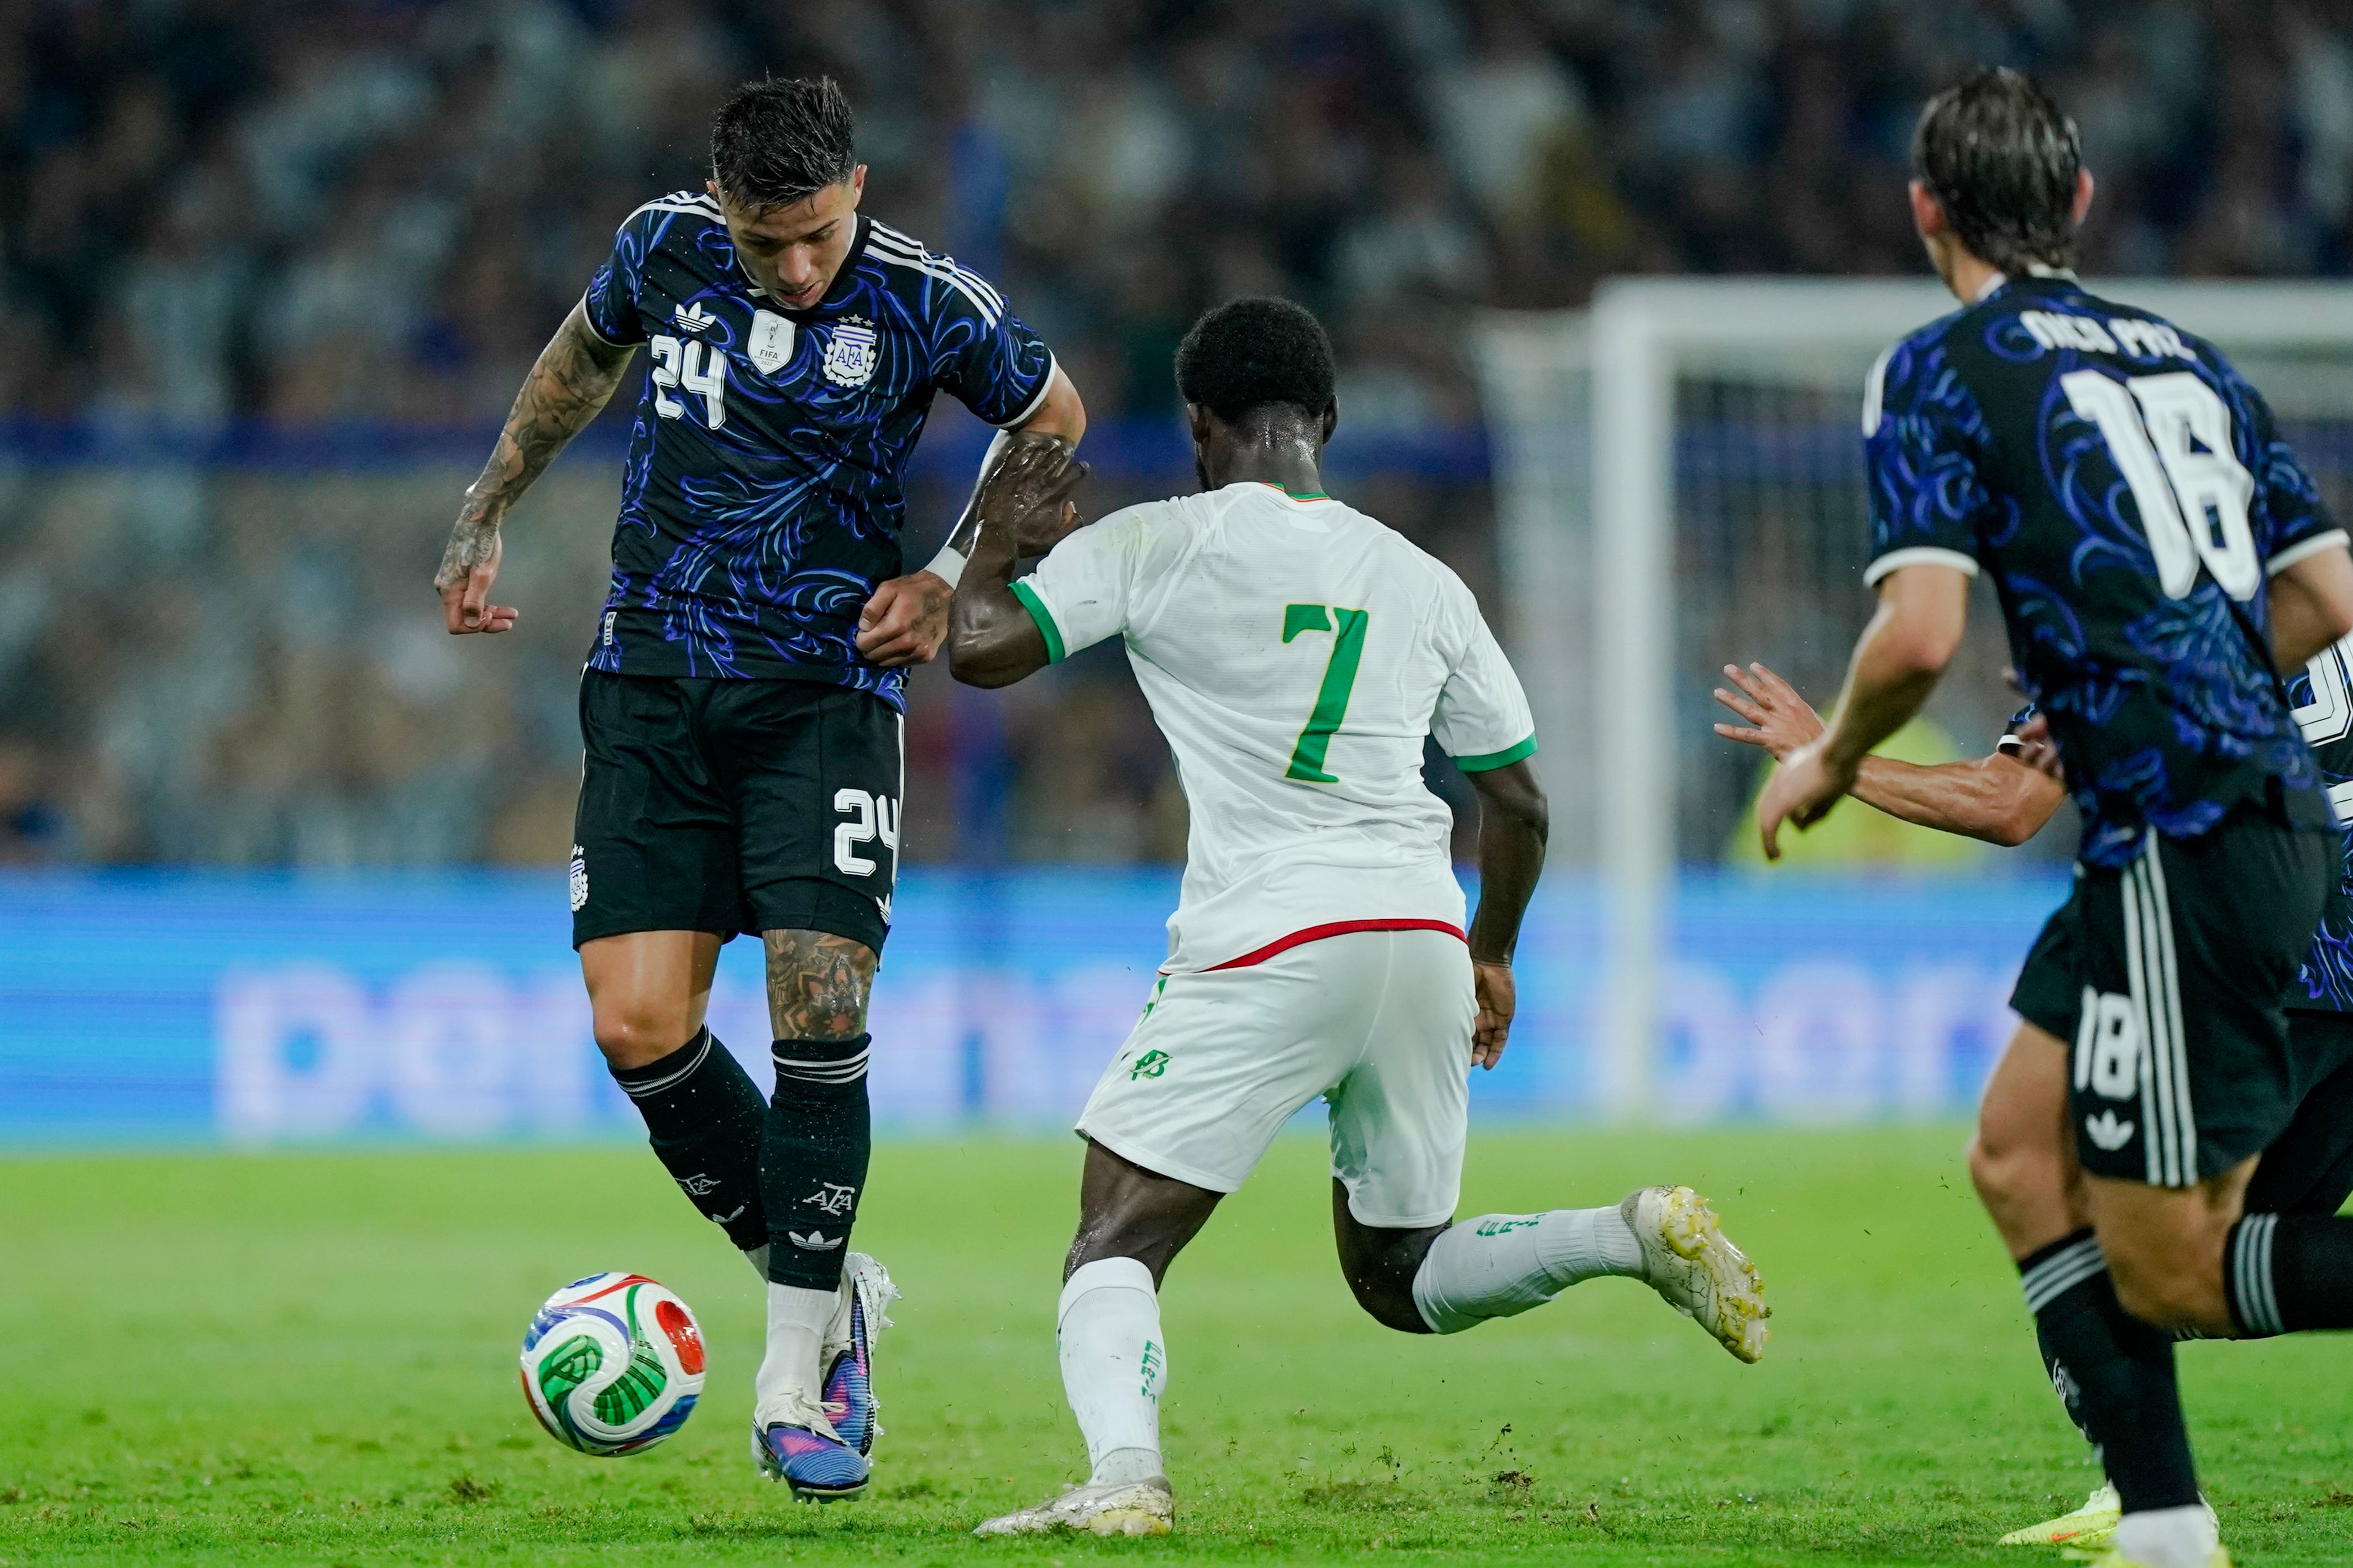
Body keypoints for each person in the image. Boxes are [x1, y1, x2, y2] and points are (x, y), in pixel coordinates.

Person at [944, 297, 1769, 1539]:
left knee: (1112, 1240)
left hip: (1270, 934)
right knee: (1402, 1273)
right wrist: (1489, 953)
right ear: (1324, 423)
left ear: (1197, 426)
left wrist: (995, 549)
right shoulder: (1421, 577)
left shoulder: (1159, 540)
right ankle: (1625, 1235)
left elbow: (982, 650)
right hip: (1421, 933)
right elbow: (1522, 803)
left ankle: (1124, 1480)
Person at [430, 76, 1087, 1501]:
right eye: (764, 241)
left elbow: (1053, 416)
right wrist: (488, 503)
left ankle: (797, 1383)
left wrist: (951, 572)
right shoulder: (661, 242)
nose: (794, 269)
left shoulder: (927, 300)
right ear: (721, 205)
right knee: (637, 1026)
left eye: (816, 237)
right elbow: (576, 360)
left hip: (825, 699)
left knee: (818, 1010)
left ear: (856, 188)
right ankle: (835, 1287)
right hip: (652, 683)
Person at [1751, 69, 2353, 1568]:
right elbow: (2332, 598)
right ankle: (2164, 1522)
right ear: (2079, 205)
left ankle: (2162, 1520)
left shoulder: (1939, 368)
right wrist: (2183, 669)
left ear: (1923, 213)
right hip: (2220, 817)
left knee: (2175, 1268)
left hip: (2186, 825)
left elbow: (1914, 637)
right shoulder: (2191, 360)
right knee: (2017, 1151)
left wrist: (1830, 758)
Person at [1718, 661, 2353, 1551]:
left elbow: (2006, 801)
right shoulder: (2318, 578)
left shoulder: (2120, 589)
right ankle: (2149, 1503)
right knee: (2187, 1272)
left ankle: (2154, 1509)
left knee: (2072, 1222)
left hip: (2252, 964)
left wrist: (1826, 755)